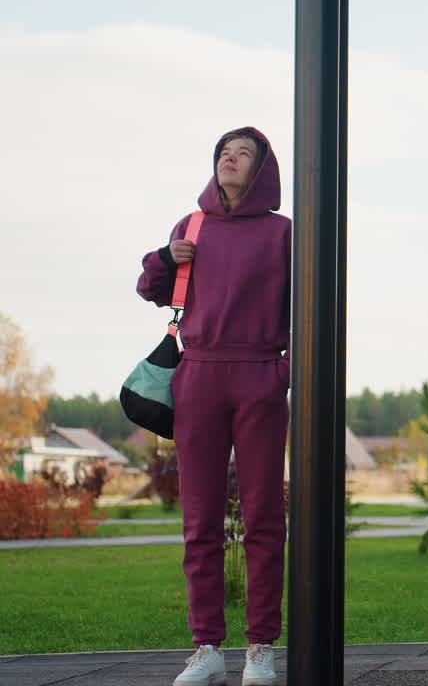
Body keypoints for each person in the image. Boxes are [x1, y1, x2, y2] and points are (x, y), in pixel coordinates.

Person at [137, 127, 290, 686]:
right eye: (225, 151)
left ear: (261, 172)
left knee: (264, 520)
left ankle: (260, 647)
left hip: (260, 375)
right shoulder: (192, 225)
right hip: (198, 375)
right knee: (198, 521)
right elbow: (153, 289)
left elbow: (310, 300)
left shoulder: (283, 233)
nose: (230, 158)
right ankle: (206, 648)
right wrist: (163, 256)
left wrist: (284, 371)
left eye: (244, 153)